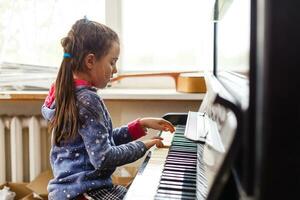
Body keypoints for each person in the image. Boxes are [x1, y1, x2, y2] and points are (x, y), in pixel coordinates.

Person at [41, 18, 175, 200]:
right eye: (112, 62)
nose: (115, 70)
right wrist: (143, 146)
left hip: (72, 190)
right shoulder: (87, 100)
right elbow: (104, 158)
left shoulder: (67, 92)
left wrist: (139, 126)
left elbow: (100, 142)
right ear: (90, 61)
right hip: (83, 192)